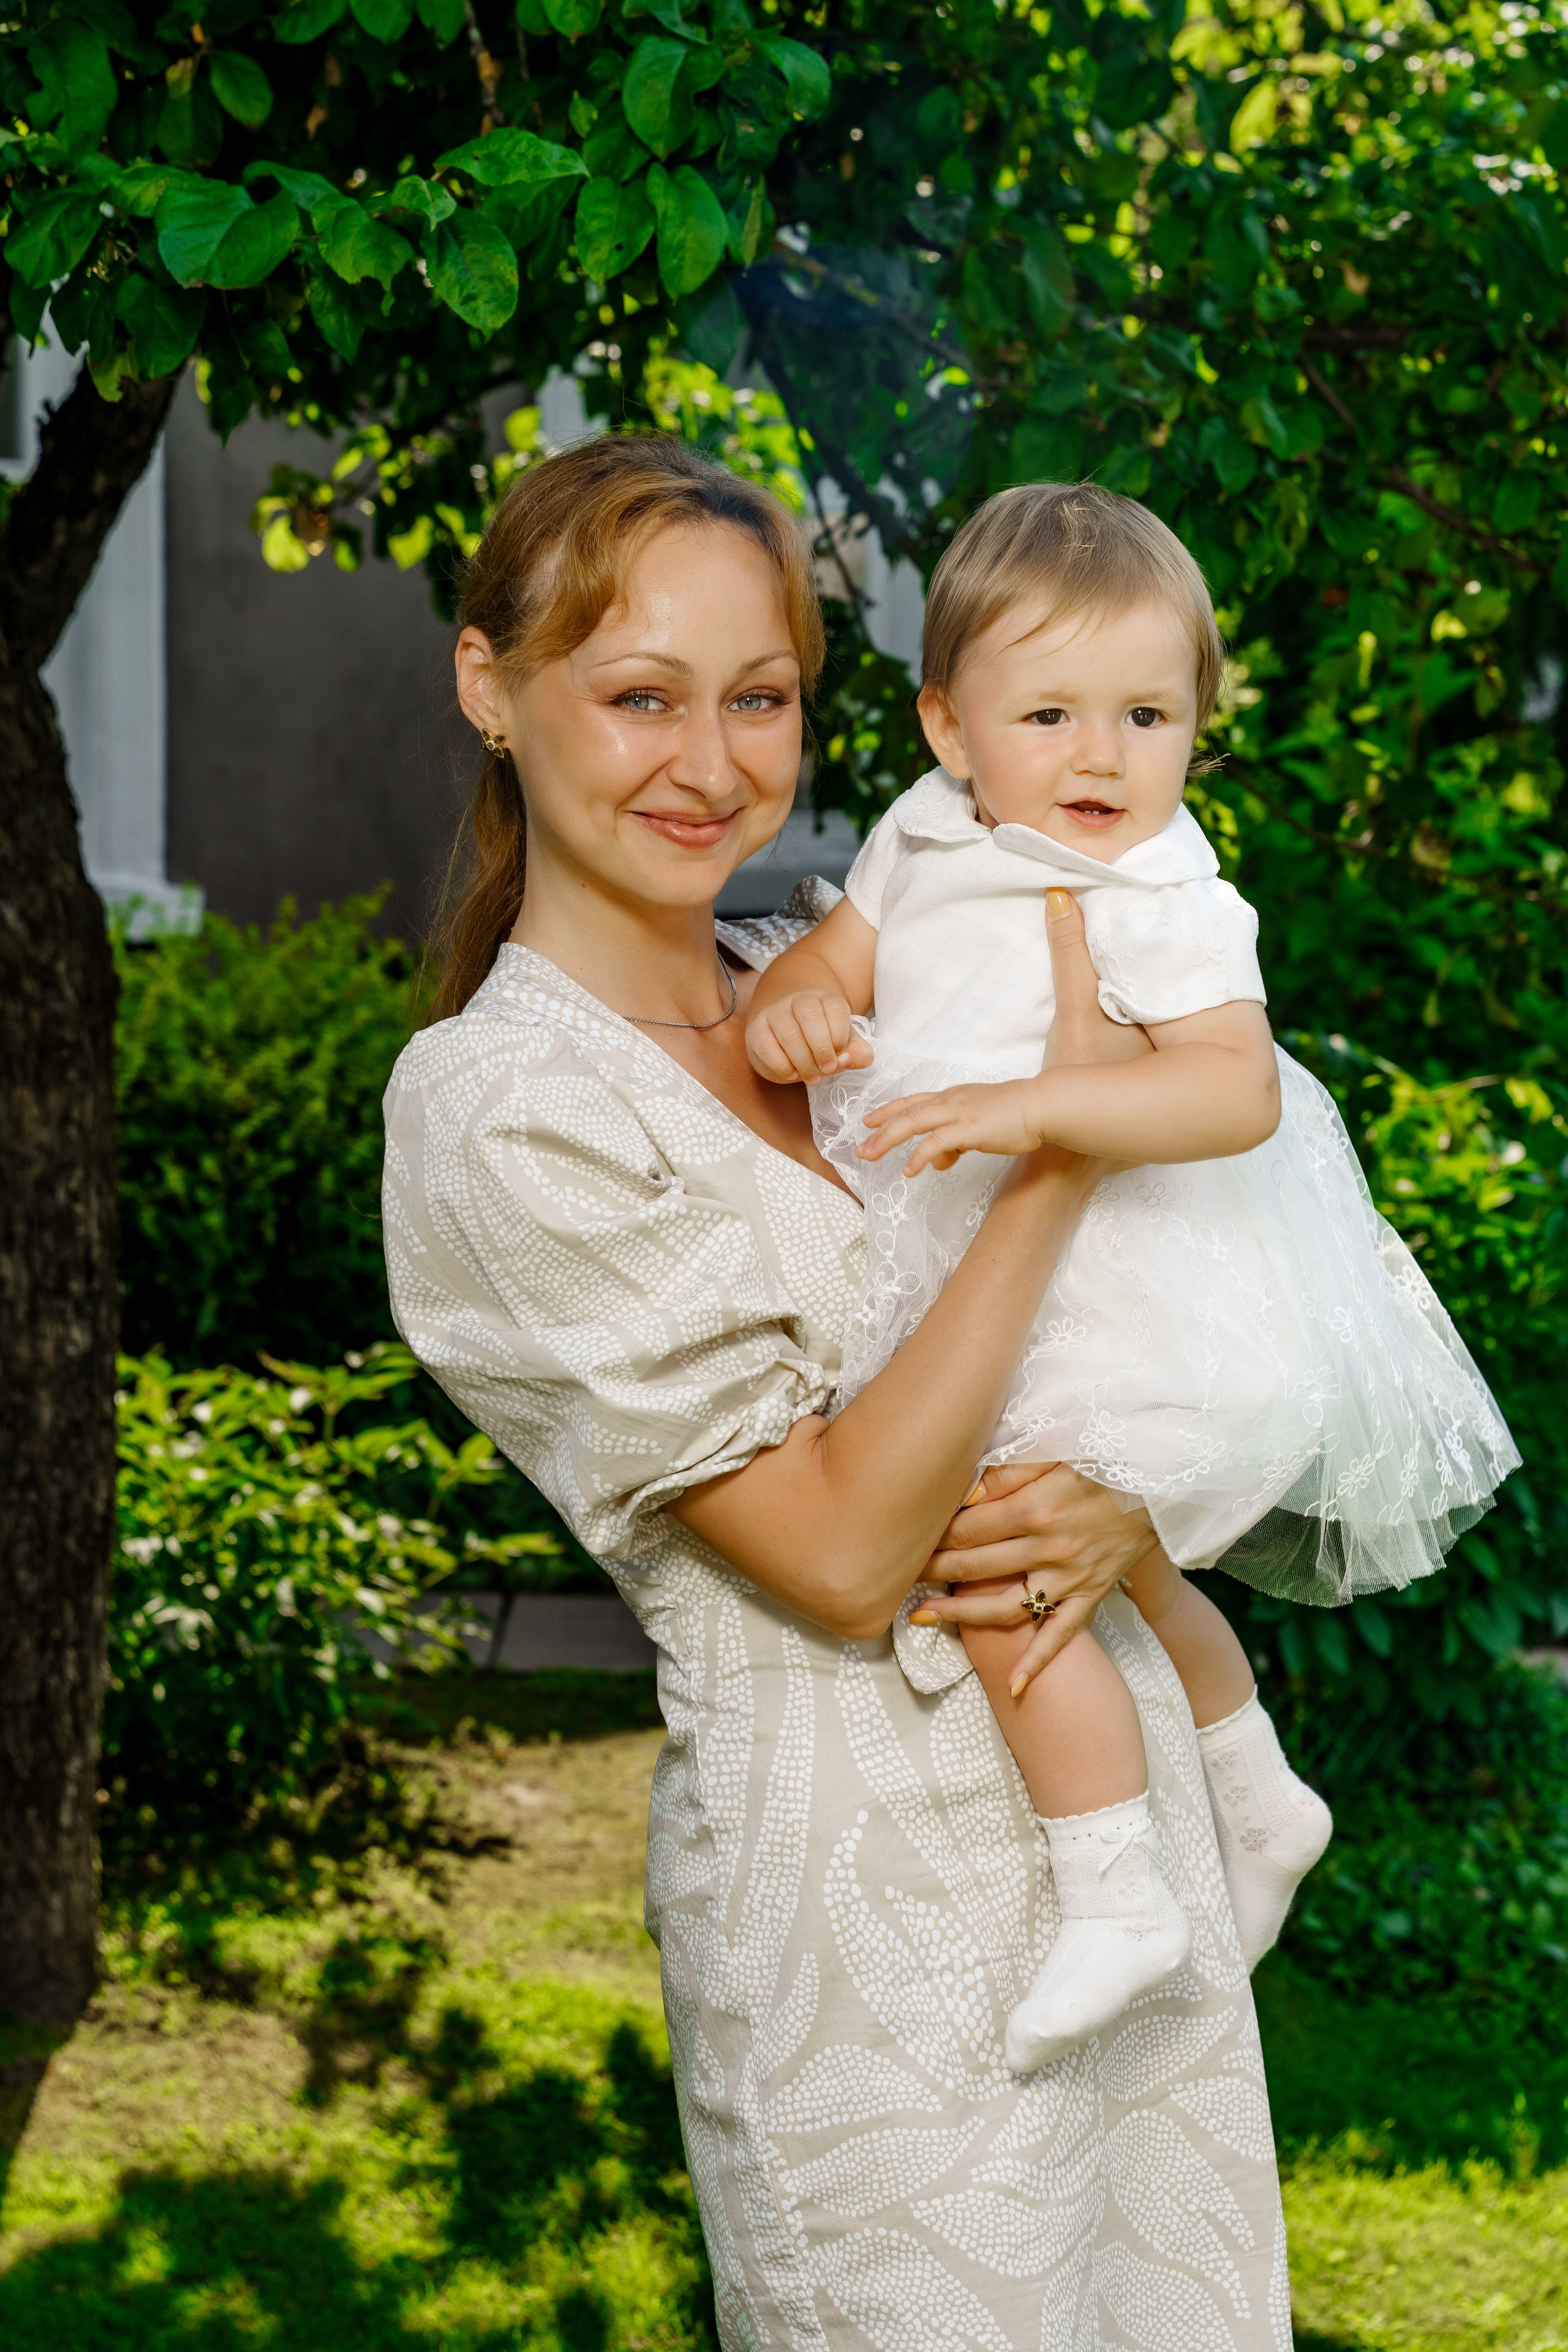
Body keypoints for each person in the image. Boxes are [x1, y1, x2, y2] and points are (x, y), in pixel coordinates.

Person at [383, 433, 1294, 2347]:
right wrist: (1063, 1150)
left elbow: (1195, 1272)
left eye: (763, 700)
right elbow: (839, 1549)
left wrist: (1124, 1500)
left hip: (1123, 1868)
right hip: (874, 1943)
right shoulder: (502, 1108)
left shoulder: (840, 978)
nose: (709, 766)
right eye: (639, 697)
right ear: (491, 685)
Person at [745, 481, 1518, 2078]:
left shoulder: (1163, 887)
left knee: (1004, 1549)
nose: (1102, 757)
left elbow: (1231, 1090)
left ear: (1197, 729)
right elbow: (840, 955)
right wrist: (800, 1009)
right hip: (972, 1252)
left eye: (1148, 714)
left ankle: (1113, 1895)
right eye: (1052, 713)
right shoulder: (920, 833)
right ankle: (1254, 1788)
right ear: (950, 725)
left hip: (1126, 1264)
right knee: (1130, 1576)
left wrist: (1044, 1103)